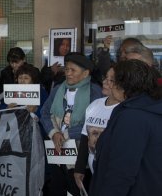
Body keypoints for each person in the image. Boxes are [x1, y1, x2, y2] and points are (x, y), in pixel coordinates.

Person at [89, 59, 162, 195]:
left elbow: (121, 171)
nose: (110, 85)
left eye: (114, 81)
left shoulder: (132, 117)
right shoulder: (149, 108)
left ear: (125, 85)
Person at [40, 52, 102, 196]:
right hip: (58, 152)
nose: (68, 73)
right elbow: (45, 113)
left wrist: (66, 134)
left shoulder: (94, 92)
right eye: (66, 69)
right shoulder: (58, 89)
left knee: (77, 190)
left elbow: (92, 124)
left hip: (80, 156)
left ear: (85, 73)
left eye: (73, 70)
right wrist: (54, 133)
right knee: (57, 189)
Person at [73, 67, 120, 192]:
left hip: (113, 175)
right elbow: (85, 137)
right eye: (105, 78)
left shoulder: (124, 110)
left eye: (111, 80)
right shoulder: (95, 105)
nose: (105, 82)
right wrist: (79, 168)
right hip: (94, 173)